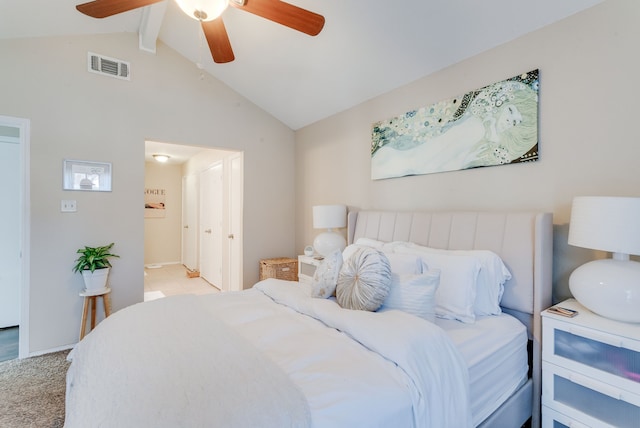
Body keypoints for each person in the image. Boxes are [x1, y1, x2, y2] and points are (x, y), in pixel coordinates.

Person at [371, 76, 538, 180]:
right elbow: (436, 160)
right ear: (502, 102)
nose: (509, 121)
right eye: (510, 111)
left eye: (515, 122)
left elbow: (442, 160)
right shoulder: (477, 127)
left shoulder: (483, 135)